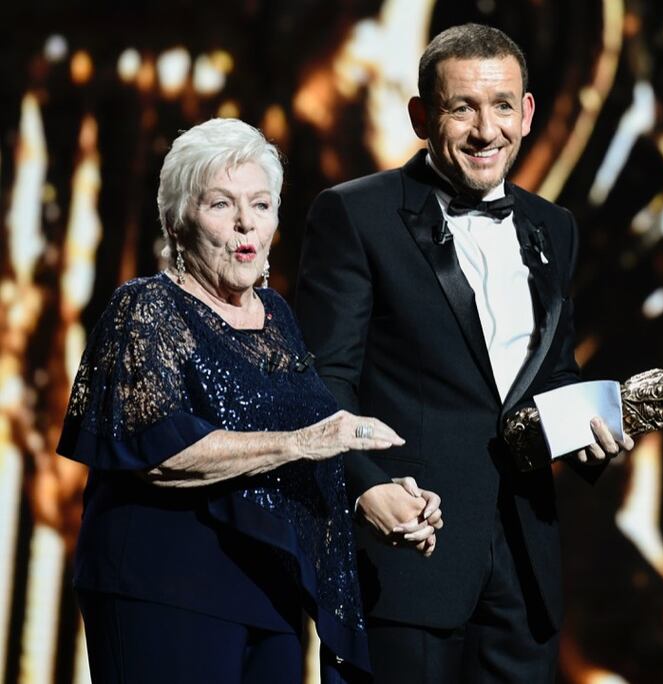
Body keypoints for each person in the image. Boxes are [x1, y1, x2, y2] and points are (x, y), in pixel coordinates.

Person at [295, 23, 633, 682]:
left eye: (503, 105)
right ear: (423, 116)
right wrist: (366, 491)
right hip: (405, 559)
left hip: (524, 570)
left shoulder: (552, 228)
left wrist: (591, 435)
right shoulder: (356, 215)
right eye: (462, 108)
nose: (487, 130)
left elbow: (550, 374)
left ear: (528, 112)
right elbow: (320, 381)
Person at [58, 118, 441, 683]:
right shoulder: (145, 309)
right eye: (221, 204)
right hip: (164, 585)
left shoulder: (277, 318)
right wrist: (306, 442)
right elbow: (161, 455)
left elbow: (311, 440)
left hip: (268, 590)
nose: (245, 223)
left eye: (261, 205)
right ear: (177, 220)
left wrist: (378, 497)